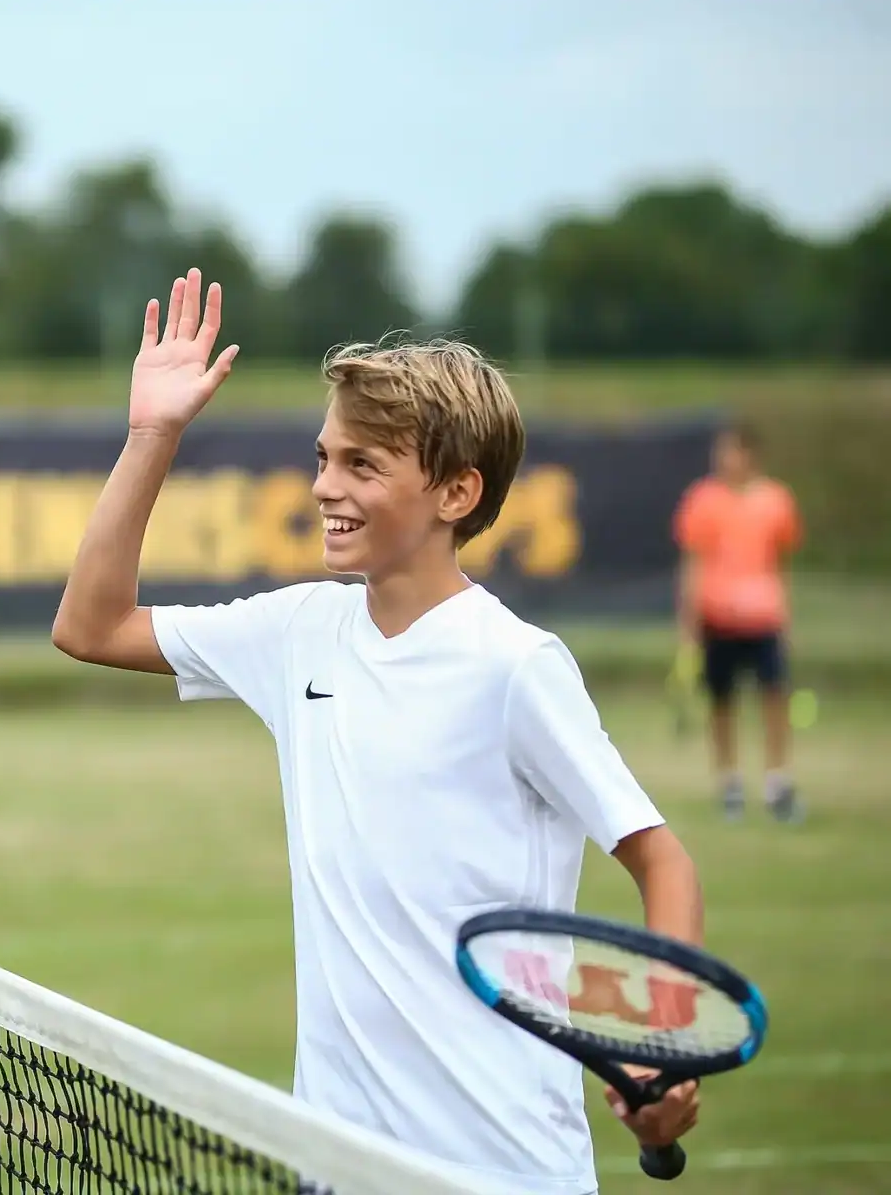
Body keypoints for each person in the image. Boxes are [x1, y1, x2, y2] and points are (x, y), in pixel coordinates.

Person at [51, 270, 705, 1194]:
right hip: (336, 1165)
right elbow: (89, 625)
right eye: (324, 458)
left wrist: (663, 1046)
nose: (325, 486)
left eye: (362, 465)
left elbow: (661, 859)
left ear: (455, 492)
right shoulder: (298, 631)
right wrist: (153, 434)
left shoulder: (514, 665)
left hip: (501, 1169)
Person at [672, 422, 803, 823]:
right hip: (719, 619)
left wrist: (788, 619)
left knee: (775, 698)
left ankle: (777, 783)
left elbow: (781, 563)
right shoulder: (703, 500)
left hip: (764, 619)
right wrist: (688, 626)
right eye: (720, 451)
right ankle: (729, 784)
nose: (723, 459)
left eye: (731, 451)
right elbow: (692, 565)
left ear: (750, 456)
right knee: (722, 703)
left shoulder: (776, 501)